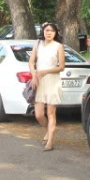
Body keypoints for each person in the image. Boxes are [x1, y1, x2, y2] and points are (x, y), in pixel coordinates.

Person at [28, 22, 65, 151]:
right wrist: (34, 75)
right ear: (43, 31)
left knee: (50, 113)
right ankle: (48, 131)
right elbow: (31, 62)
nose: (49, 33)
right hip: (39, 81)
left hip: (52, 81)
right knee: (38, 114)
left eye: (52, 31)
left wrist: (45, 71)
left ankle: (50, 142)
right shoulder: (38, 45)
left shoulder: (58, 46)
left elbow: (61, 67)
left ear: (55, 33)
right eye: (47, 30)